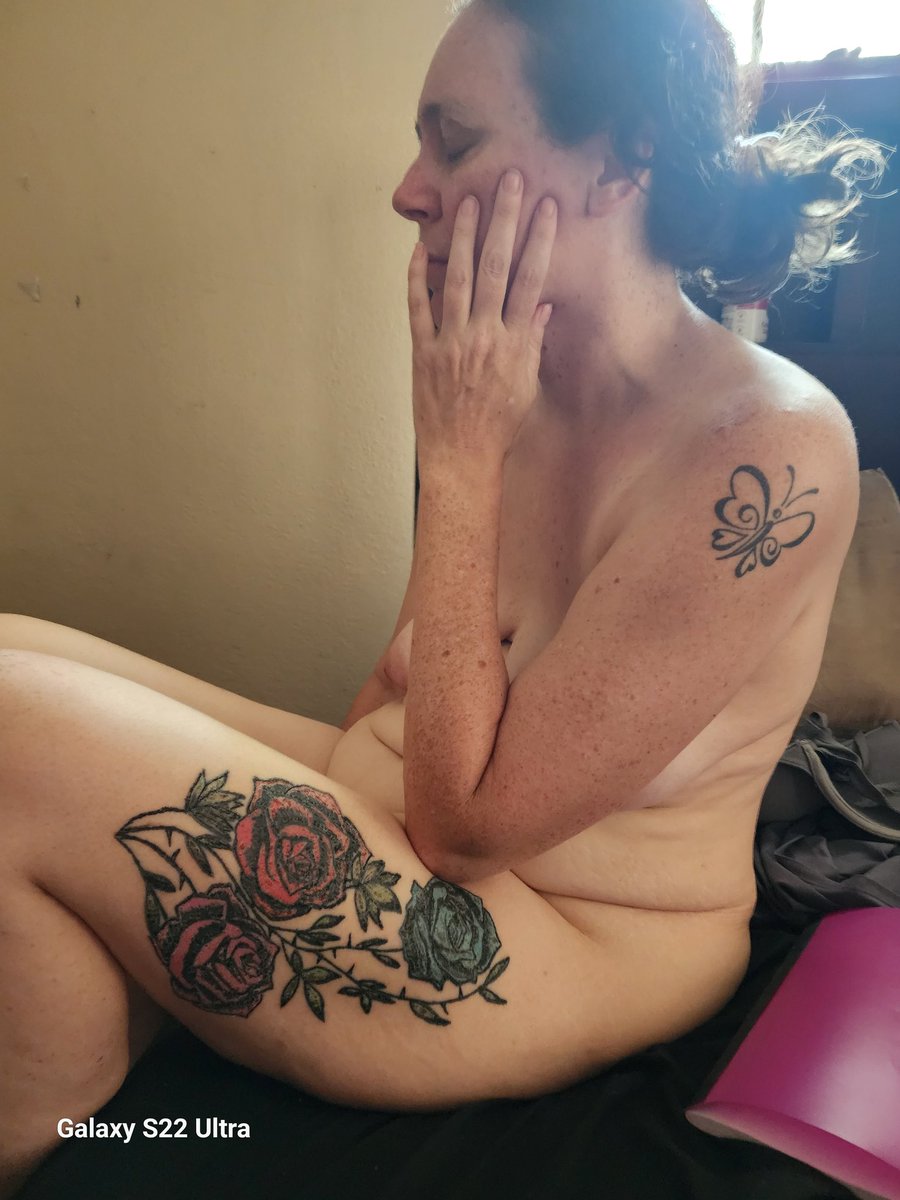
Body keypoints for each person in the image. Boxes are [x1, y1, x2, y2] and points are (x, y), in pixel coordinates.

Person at [0, 0, 890, 1192]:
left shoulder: (767, 448)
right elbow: (399, 682)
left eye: (455, 141)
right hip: (408, 821)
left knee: (10, 740)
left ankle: (55, 1158)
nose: (409, 191)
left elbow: (467, 834)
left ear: (620, 160)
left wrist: (461, 455)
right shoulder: (512, 378)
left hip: (573, 933)